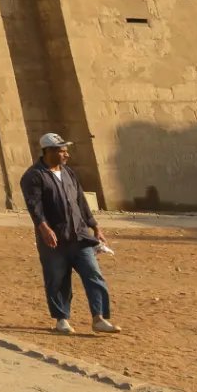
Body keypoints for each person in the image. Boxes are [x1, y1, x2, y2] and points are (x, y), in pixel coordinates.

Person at [20, 133, 120, 334]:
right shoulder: (33, 176)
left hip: (79, 236)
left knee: (94, 275)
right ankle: (61, 319)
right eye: (61, 150)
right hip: (54, 239)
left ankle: (99, 318)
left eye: (66, 150)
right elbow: (34, 206)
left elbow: (81, 202)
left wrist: (95, 226)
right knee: (57, 279)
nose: (66, 154)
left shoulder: (69, 174)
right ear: (48, 151)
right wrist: (44, 228)